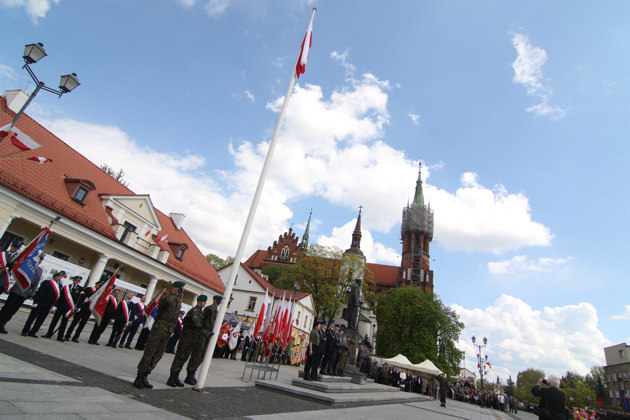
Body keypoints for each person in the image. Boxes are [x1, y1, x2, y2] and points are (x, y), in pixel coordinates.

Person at [134, 281, 184, 389]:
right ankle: (140, 376)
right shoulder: (167, 297)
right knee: (150, 352)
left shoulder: (178, 300)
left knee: (158, 354)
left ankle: (146, 374)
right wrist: (175, 294)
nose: (182, 291)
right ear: (176, 288)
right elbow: (162, 308)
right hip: (159, 329)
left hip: (167, 331)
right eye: (181, 288)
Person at [167, 295, 207, 387]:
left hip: (192, 338)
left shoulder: (200, 312)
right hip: (187, 338)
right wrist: (206, 332)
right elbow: (197, 324)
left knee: (184, 358)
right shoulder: (195, 311)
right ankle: (172, 377)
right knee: (179, 357)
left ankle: (176, 376)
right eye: (203, 301)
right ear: (199, 301)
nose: (204, 303)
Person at [0, 253, 44, 333]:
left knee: (13, 310)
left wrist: (32, 293)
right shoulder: (27, 265)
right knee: (7, 307)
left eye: (41, 259)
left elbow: (36, 283)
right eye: (39, 258)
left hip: (25, 293)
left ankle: (3, 324)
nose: (39, 260)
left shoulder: (39, 270)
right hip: (17, 289)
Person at [21, 270, 66, 337]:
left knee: (41, 319)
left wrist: (55, 306)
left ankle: (33, 332)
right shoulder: (47, 282)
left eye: (60, 277)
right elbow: (40, 292)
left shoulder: (59, 286)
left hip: (49, 305)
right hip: (40, 303)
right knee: (32, 317)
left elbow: (57, 296)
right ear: (54, 277)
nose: (59, 278)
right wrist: (35, 302)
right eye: (58, 277)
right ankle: (25, 331)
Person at [43, 275, 82, 341]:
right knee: (54, 320)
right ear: (73, 280)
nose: (77, 281)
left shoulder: (80, 289)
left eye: (78, 281)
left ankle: (60, 336)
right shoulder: (66, 287)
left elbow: (78, 300)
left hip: (69, 308)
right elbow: (60, 296)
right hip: (61, 306)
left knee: (64, 323)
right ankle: (49, 334)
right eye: (76, 280)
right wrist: (55, 305)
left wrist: (77, 307)